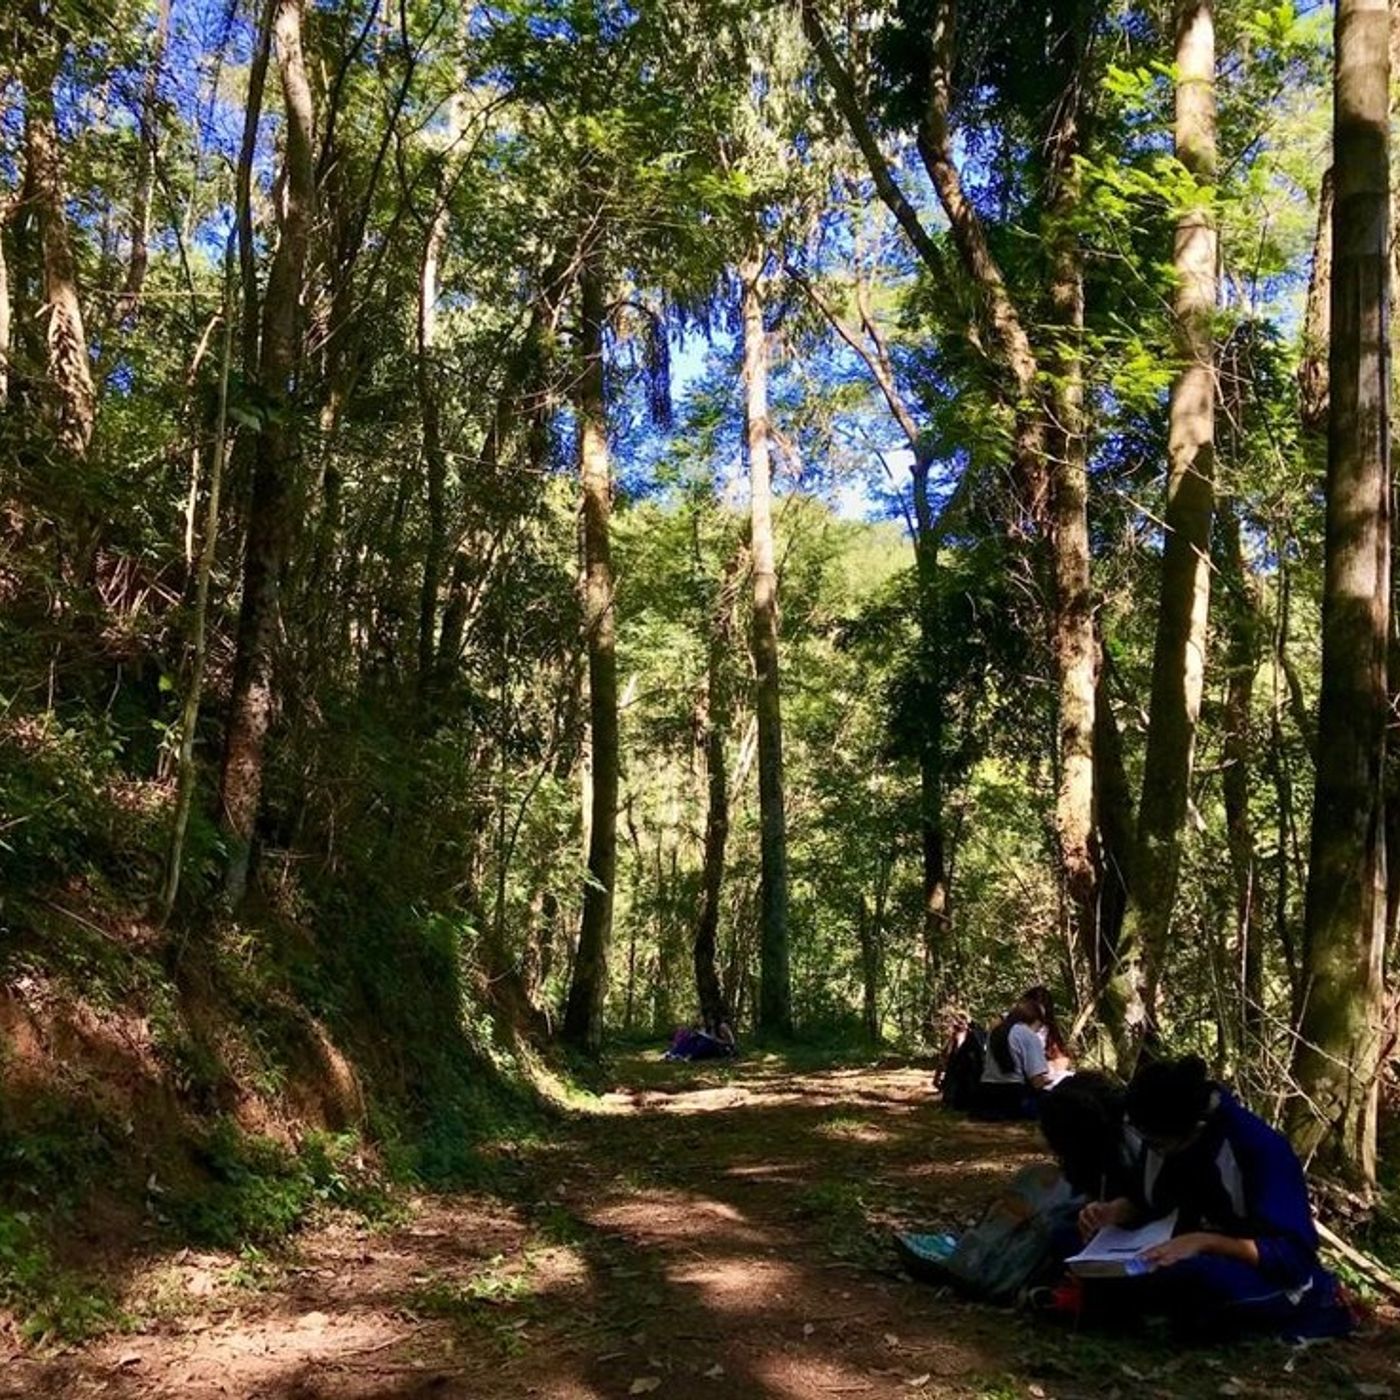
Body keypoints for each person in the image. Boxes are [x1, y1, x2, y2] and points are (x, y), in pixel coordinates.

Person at [1070, 1055, 1353, 1341]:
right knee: (1068, 1241)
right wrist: (1114, 1211)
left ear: (1194, 1128)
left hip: (1253, 1270)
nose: (1151, 1149)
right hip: (1168, 1250)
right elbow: (1151, 1201)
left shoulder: (1259, 1149)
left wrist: (1203, 1242)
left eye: (1157, 1143)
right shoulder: (1158, 1138)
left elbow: (1291, 1256)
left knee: (1196, 1281)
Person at [972, 986, 1069, 1119]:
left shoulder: (996, 1031)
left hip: (987, 1094)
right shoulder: (1028, 1035)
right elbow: (1037, 1082)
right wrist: (1053, 1078)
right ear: (1036, 1020)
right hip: (1015, 1097)